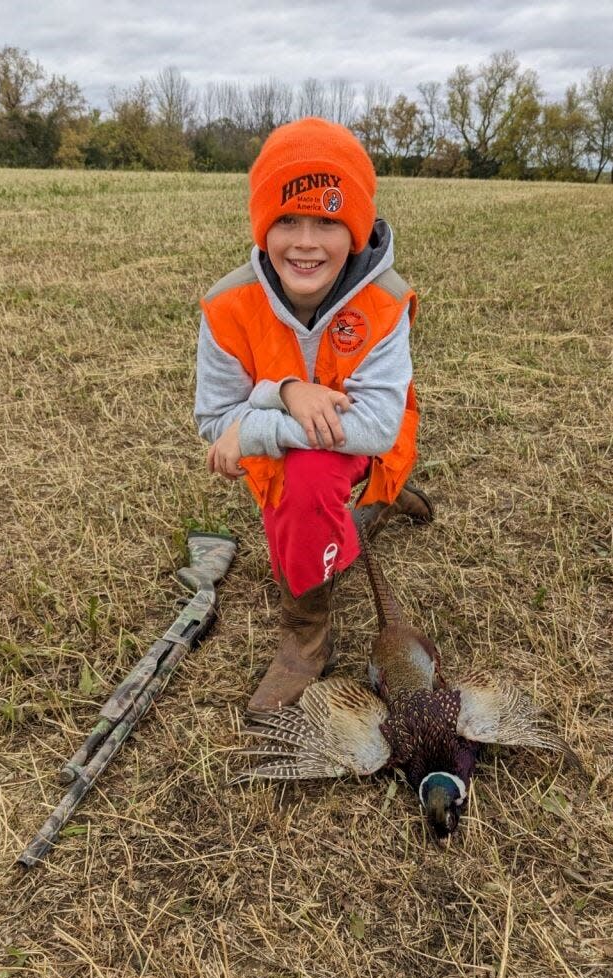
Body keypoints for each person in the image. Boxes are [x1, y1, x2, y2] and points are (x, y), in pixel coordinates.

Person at [195, 117, 432, 713]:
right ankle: (355, 537)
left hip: (363, 438)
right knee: (305, 483)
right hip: (291, 436)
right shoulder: (227, 306)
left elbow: (377, 424)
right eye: (287, 220)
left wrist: (254, 426)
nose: (305, 241)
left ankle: (307, 636)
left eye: (327, 220)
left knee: (311, 480)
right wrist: (287, 391)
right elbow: (212, 420)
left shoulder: (384, 300)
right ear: (263, 226)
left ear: (353, 228)